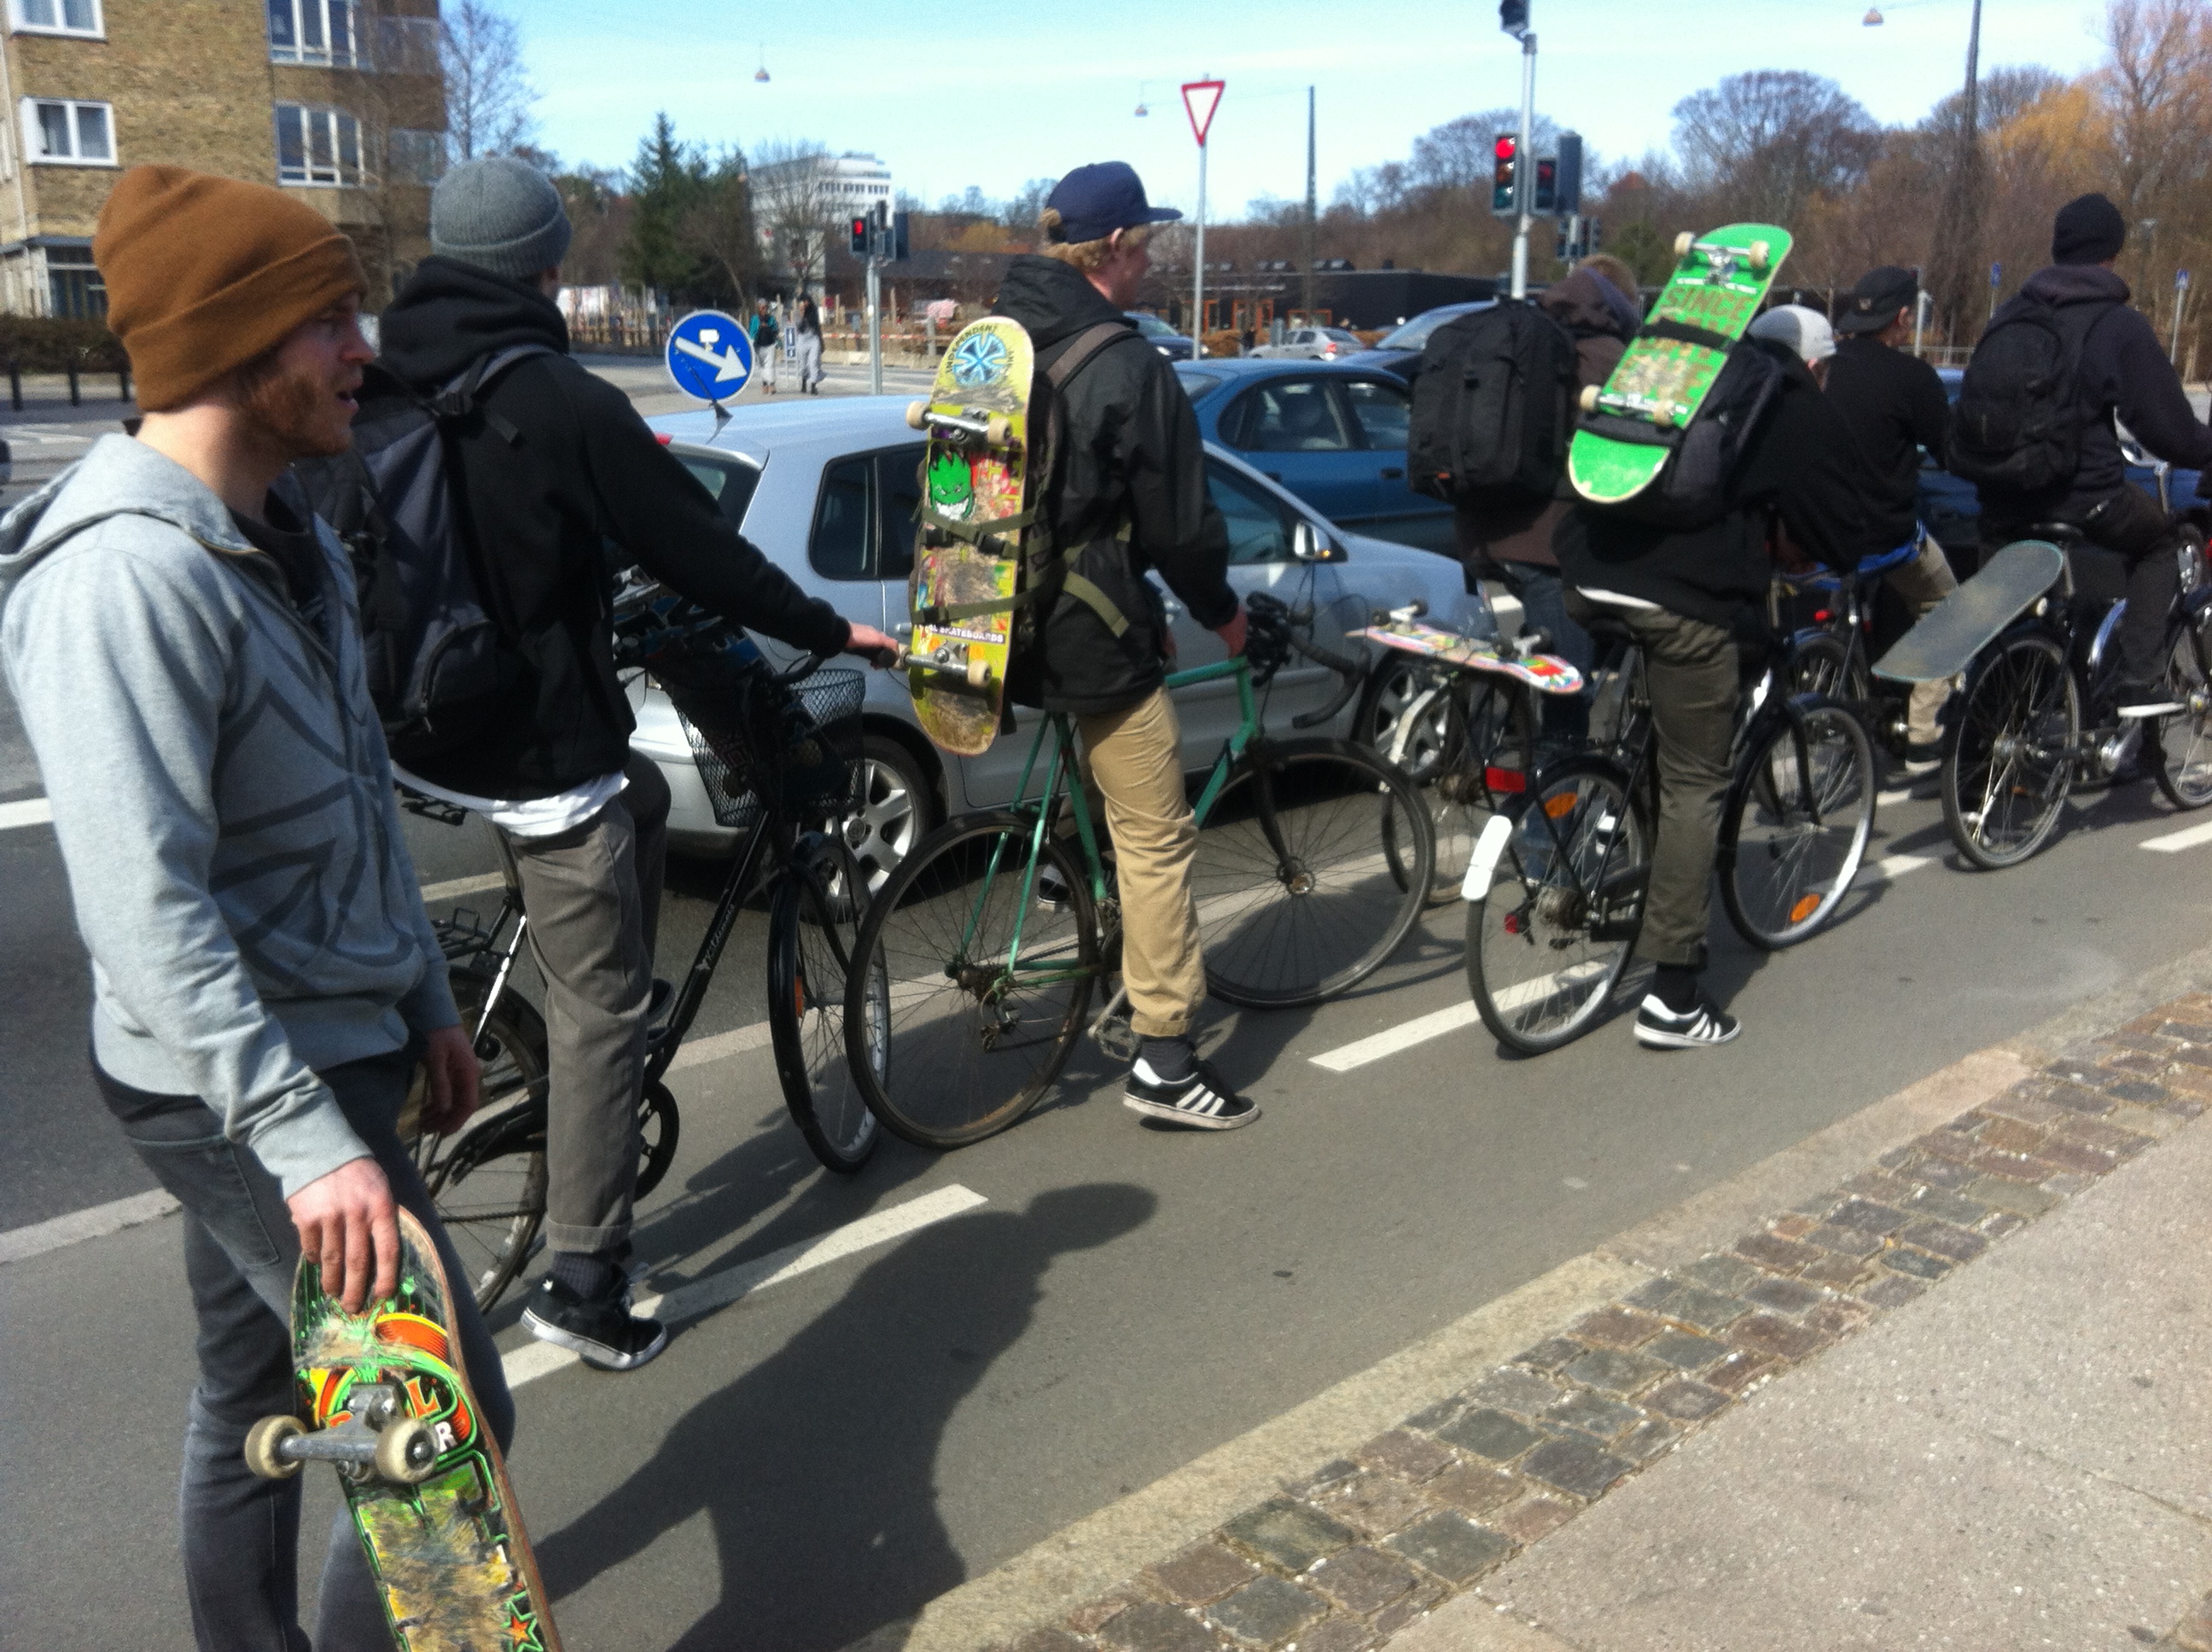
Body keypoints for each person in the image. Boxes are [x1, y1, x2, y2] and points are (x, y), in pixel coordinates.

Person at [0, 165, 502, 1650]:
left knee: (257, 1386)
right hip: (228, 1082)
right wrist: (306, 1147)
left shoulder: (292, 537)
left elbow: (353, 797)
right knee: (439, 1414)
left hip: (331, 1038)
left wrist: (420, 994)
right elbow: (144, 915)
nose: (367, 349)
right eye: (330, 317)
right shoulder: (126, 584)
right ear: (234, 345)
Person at [363, 157, 899, 1368]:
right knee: (606, 1009)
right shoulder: (561, 395)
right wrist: (827, 626)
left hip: (423, 733)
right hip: (540, 751)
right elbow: (697, 546)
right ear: (547, 265)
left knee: (646, 795)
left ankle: (563, 1002)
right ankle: (584, 1279)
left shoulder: (384, 373)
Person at [991, 160, 1257, 1128]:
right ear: (1112, 251)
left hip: (996, 625)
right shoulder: (1126, 363)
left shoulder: (996, 338)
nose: (1152, 265)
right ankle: (1166, 1057)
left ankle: (1077, 910)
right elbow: (1180, 530)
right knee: (1155, 837)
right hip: (1089, 633)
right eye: (1146, 247)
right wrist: (1223, 611)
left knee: (1088, 803)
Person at [1554, 301, 1877, 1049]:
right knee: (1697, 779)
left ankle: (1612, 826)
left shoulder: (1678, 361)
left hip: (1588, 572)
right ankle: (1673, 997)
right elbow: (1833, 520)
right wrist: (1845, 555)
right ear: (1818, 363)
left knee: (1659, 723)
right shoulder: (1789, 400)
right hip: (1682, 599)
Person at [1972, 194, 2212, 713]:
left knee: (2005, 621)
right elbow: (2167, 430)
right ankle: (2142, 679)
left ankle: (1984, 728)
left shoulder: (2010, 314)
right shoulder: (2116, 323)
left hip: (1998, 496)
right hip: (2081, 497)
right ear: (2112, 254)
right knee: (2163, 544)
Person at [1452, 258, 1641, 739]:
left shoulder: (1520, 339)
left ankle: (1469, 754)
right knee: (1567, 695)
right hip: (1548, 549)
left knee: (1511, 653)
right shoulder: (1609, 356)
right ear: (1622, 303)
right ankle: (1553, 808)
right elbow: (1627, 461)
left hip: (1480, 533)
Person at [1824, 265, 1959, 770]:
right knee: (1947, 605)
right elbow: (1950, 450)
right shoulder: (1912, 377)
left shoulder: (1822, 367)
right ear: (1902, 317)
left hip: (1816, 534)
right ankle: (1924, 731)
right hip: (1886, 536)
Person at [749, 296, 782, 394]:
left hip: (770, 345)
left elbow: (776, 330)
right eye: (762, 307)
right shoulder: (755, 319)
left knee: (770, 365)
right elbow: (751, 332)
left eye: (766, 307)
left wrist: (768, 327)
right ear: (759, 308)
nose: (764, 309)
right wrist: (759, 327)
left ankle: (772, 385)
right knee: (762, 366)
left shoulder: (771, 319)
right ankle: (764, 384)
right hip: (759, 346)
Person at [795, 294, 825, 393]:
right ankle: (804, 383)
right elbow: (799, 327)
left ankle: (813, 386)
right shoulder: (797, 313)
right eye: (804, 301)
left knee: (813, 362)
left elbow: (817, 325)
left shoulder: (814, 311)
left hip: (813, 339)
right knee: (803, 365)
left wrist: (821, 340)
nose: (806, 303)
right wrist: (802, 314)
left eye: (807, 301)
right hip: (802, 339)